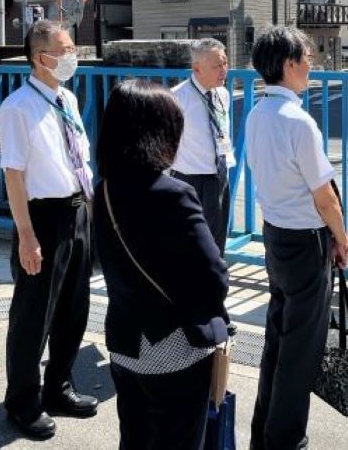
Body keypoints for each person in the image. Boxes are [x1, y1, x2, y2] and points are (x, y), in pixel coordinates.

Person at [93, 80, 230, 450]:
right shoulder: (173, 194)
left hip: (124, 339)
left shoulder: (103, 190)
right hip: (174, 344)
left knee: (134, 438)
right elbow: (214, 278)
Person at [246, 26, 348, 450]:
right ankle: (285, 439)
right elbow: (325, 197)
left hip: (276, 236)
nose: (313, 64)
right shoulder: (298, 121)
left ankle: (264, 433)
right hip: (307, 242)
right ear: (289, 64)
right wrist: (342, 239)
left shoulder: (257, 114)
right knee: (300, 350)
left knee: (278, 339)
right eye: (308, 57)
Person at [0, 20, 97, 439]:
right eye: (65, 49)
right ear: (41, 58)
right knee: (33, 316)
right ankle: (22, 401)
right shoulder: (17, 108)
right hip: (42, 217)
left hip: (77, 210)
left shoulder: (66, 99)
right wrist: (26, 234)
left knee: (74, 308)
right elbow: (14, 176)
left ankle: (59, 386)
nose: (72, 55)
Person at [171, 38, 235, 255]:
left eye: (225, 63)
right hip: (191, 181)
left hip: (219, 176)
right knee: (191, 244)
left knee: (217, 242)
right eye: (217, 65)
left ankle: (214, 282)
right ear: (197, 68)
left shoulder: (222, 94)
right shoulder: (177, 97)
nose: (223, 69)